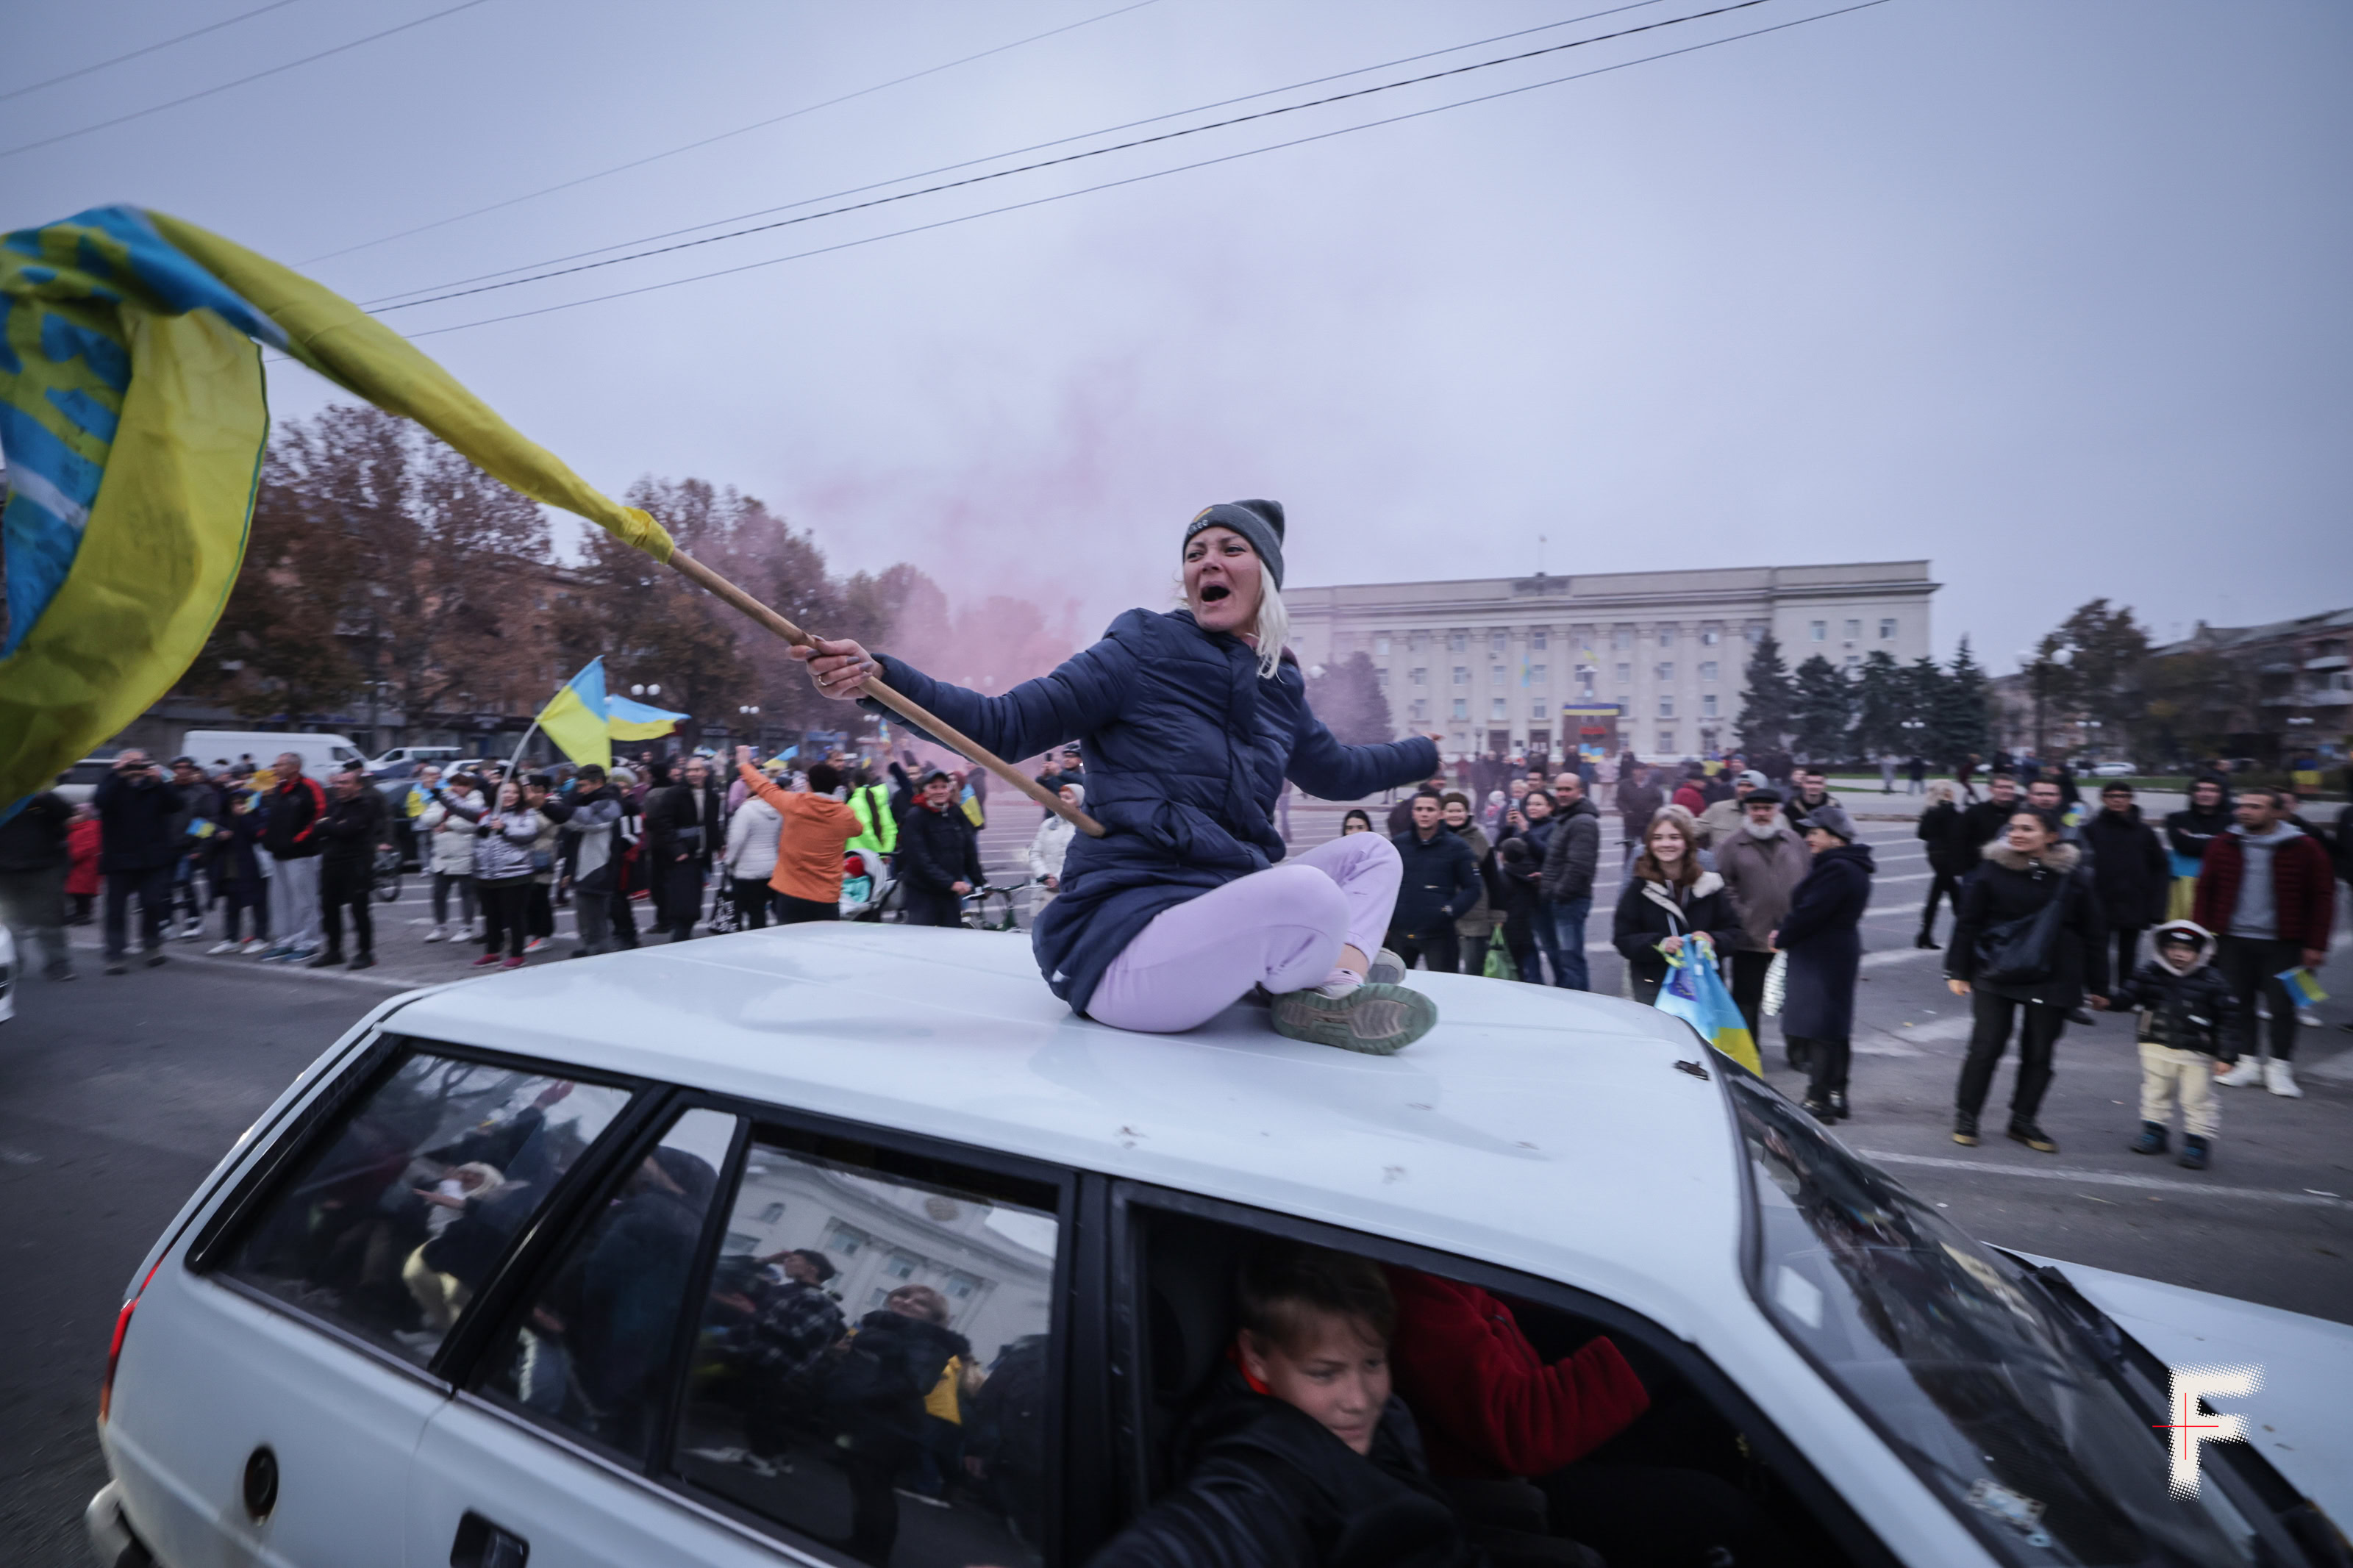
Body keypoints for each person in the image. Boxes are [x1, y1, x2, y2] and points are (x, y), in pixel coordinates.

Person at [793, 499, 1443, 1053]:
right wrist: (881, 679)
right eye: (1195, 552)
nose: (1207, 562)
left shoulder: (1280, 685)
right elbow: (1002, 725)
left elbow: (1338, 771)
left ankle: (1329, 985)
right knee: (1309, 895)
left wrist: (1423, 755)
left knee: (1372, 855)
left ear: (1266, 577)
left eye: (1231, 548)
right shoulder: (1140, 648)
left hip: (1214, 915)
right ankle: (1323, 978)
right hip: (1123, 948)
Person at [1089, 1239, 1483, 1568]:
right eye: (1324, 1374)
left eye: (1373, 1363)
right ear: (1256, 1358)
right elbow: (1218, 1529)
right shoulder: (1263, 1460)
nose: (1360, 1400)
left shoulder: (1351, 1417)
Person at [1946, 808, 2108, 1153]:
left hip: (2054, 975)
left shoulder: (2072, 876)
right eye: (2013, 828)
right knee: (1986, 1046)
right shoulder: (1991, 870)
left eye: (2028, 829)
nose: (2017, 834)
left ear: (2051, 836)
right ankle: (1967, 1117)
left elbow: (2094, 932)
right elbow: (1967, 923)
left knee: (2039, 1053)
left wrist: (2099, 986)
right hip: (1997, 970)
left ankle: (2023, 1121)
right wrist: (1957, 971)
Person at [2196, 787, 2333, 1099]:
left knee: (2283, 1007)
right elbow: (2206, 891)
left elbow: (2323, 897)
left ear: (2276, 812)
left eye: (2256, 807)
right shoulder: (2223, 844)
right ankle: (2247, 1063)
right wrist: (2201, 936)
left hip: (2286, 942)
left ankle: (2280, 1067)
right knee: (2237, 1004)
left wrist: (2316, 944)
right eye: (2243, 805)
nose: (2245, 811)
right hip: (2233, 939)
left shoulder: (2304, 847)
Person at [1773, 803, 1874, 1122]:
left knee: (1820, 1027)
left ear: (1836, 837)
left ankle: (1818, 1100)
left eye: (1815, 833)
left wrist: (1783, 936)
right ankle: (1837, 1093)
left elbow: (1811, 912)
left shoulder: (1836, 868)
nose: (1809, 839)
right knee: (1835, 1027)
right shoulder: (1850, 864)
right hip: (1836, 950)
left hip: (1821, 953)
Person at [2113, 922, 2238, 1170]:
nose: (2179, 954)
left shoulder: (2213, 981)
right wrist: (2107, 1001)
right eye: (2172, 947)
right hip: (2155, 1045)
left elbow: (2229, 1020)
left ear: (2201, 952)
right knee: (2155, 1090)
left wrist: (2227, 1055)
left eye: (2187, 949)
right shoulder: (2150, 972)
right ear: (2161, 948)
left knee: (2197, 1098)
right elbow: (2128, 995)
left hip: (2196, 1053)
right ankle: (2154, 1132)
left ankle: (2197, 1142)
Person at [1610, 808, 1739, 1006]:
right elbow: (1623, 938)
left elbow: (1734, 932)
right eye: (1658, 838)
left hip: (1704, 983)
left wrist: (1714, 940)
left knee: (1700, 1038)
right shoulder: (1639, 888)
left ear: (1686, 843)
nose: (1666, 844)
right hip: (1654, 985)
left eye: (1674, 837)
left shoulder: (1710, 885)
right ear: (1650, 844)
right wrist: (1659, 944)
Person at [1713, 787, 1807, 1048]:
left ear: (1776, 811)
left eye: (1767, 809)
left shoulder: (1794, 841)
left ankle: (1798, 1053)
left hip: (1791, 936)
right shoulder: (1731, 845)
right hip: (1750, 937)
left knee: (1795, 997)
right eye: (1756, 809)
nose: (1762, 814)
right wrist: (1742, 913)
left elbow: (1808, 879)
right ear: (1747, 812)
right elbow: (1722, 884)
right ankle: (1749, 1054)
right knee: (1747, 999)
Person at [735, 751, 863, 924]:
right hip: (826, 896)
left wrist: (744, 764)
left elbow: (765, 787)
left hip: (791, 893)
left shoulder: (794, 804)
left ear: (809, 784)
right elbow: (857, 830)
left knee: (790, 945)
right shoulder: (844, 814)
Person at [92, 749, 180, 975]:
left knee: (152, 903)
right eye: (129, 763)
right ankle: (115, 954)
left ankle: (152, 945)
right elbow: (100, 802)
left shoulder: (154, 785)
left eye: (139, 763)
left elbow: (177, 805)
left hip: (152, 858)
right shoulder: (112, 783)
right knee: (116, 910)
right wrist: (117, 775)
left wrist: (159, 782)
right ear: (119, 764)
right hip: (119, 858)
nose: (135, 768)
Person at [444, 780, 544, 968]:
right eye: (505, 792)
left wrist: (504, 828)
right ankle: (492, 952)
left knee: (515, 916)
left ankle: (517, 954)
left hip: (515, 874)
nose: (509, 795)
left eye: (514, 792)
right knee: (491, 916)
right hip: (486, 875)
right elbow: (458, 806)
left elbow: (529, 834)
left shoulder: (526, 812)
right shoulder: (485, 812)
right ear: (496, 795)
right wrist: (437, 791)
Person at [2082, 783, 2169, 982]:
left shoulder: (2144, 832)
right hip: (2099, 901)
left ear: (2131, 799)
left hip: (2134, 901)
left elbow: (2159, 867)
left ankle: (2126, 991)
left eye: (2123, 796)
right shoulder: (2090, 830)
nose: (2118, 800)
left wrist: (2156, 906)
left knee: (2129, 951)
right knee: (2097, 949)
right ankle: (2099, 991)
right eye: (2112, 796)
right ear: (2103, 799)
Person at [1387, 792, 1480, 974]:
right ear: (1413, 813)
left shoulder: (1457, 847)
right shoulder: (1398, 844)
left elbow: (1473, 888)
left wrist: (1448, 911)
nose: (1424, 814)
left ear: (1441, 814)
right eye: (1419, 809)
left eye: (1430, 809)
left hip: (1439, 935)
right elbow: (1384, 884)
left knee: (1443, 989)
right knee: (1398, 991)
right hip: (1401, 932)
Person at [312, 765, 390, 970]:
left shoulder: (366, 804)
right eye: (336, 782)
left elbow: (347, 830)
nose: (338, 786)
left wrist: (331, 825)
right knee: (329, 908)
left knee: (359, 909)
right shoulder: (334, 806)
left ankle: (365, 953)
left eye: (344, 782)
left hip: (357, 863)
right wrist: (333, 825)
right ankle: (334, 951)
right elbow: (317, 830)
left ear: (358, 785)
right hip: (331, 862)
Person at [0, 784, 76, 981]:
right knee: (9, 924)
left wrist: (43, 796)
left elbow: (65, 813)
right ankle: (13, 965)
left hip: (43, 866)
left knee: (49, 919)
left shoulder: (40, 797)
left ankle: (58, 964)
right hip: (5, 868)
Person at [895, 767, 986, 928]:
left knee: (952, 940)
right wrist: (950, 883)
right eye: (934, 787)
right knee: (924, 942)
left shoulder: (955, 812)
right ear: (924, 790)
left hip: (949, 894)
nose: (940, 791)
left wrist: (981, 882)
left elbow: (969, 851)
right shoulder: (915, 816)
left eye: (944, 786)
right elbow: (919, 859)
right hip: (922, 894)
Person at [646, 756, 723, 942]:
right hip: (682, 858)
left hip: (702, 858)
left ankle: (683, 939)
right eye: (689, 770)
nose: (692, 774)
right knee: (684, 908)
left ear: (705, 772)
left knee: (693, 905)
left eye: (697, 770)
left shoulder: (712, 796)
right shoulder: (674, 794)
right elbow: (662, 823)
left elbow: (712, 824)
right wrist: (677, 849)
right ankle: (679, 942)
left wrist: (720, 844)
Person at [259, 751, 326, 961]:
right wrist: (267, 836)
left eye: (279, 765)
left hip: (301, 855)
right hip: (279, 853)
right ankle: (285, 941)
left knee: (304, 901)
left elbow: (319, 816)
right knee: (280, 901)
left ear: (293, 767)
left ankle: (307, 942)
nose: (275, 769)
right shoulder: (279, 789)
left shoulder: (309, 787)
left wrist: (298, 840)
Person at [1536, 776, 1601, 991]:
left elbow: (1580, 867)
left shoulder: (1582, 821)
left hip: (1570, 900)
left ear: (1580, 791)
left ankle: (1580, 1005)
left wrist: (1558, 891)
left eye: (1568, 789)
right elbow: (1560, 859)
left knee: (1571, 959)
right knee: (1564, 957)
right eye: (1559, 789)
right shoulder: (1567, 817)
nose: (1562, 793)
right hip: (1561, 898)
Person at [558, 765, 631, 955]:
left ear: (598, 783)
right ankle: (591, 951)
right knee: (586, 922)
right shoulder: (585, 801)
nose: (579, 790)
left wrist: (546, 806)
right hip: (583, 869)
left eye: (582, 786)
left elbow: (587, 825)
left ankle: (600, 960)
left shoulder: (609, 805)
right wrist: (570, 871)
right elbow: (575, 840)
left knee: (597, 926)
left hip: (598, 872)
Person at [418, 773, 482, 943]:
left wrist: (448, 824)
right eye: (454, 784)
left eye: (462, 785)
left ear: (470, 787)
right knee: (438, 893)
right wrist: (448, 815)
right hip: (442, 855)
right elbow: (427, 818)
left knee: (466, 893)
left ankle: (466, 927)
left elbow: (473, 823)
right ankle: (440, 927)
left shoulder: (476, 799)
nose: (456, 787)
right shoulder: (444, 798)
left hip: (465, 853)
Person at [1442, 792, 1502, 975]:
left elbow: (1493, 879)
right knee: (1445, 971)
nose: (1455, 814)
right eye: (1450, 810)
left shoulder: (1480, 839)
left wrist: (1498, 915)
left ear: (1468, 813)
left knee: (1474, 970)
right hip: (1443, 915)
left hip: (1475, 916)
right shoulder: (1436, 838)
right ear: (1442, 813)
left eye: (1459, 810)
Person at [207, 787, 271, 953]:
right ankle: (230, 938)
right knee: (231, 905)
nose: (237, 806)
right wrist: (217, 836)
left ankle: (261, 936)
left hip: (254, 866)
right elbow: (201, 833)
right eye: (234, 803)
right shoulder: (223, 818)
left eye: (241, 803)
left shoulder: (258, 816)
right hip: (229, 867)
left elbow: (257, 835)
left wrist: (245, 816)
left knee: (258, 902)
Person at [2164, 776, 2232, 923]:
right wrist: (2219, 841)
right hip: (2184, 884)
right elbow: (2184, 846)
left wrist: (2193, 839)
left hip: (2221, 883)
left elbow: (2230, 850)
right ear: (2192, 794)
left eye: (2212, 790)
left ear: (2221, 794)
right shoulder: (2176, 818)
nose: (2205, 794)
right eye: (2199, 789)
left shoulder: (2233, 821)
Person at [721, 776, 784, 928]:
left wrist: (729, 862)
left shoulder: (746, 810)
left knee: (748, 912)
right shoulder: (778, 810)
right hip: (771, 868)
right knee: (760, 912)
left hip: (747, 871)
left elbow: (736, 840)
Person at [1914, 782, 1968, 949]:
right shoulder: (1949, 810)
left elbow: (1921, 834)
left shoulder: (1929, 810)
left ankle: (1925, 935)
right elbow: (1958, 832)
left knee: (1939, 894)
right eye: (1951, 791)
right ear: (1947, 793)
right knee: (1955, 895)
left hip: (1934, 854)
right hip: (1946, 855)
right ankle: (1965, 936)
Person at [1029, 782, 1085, 906]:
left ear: (1079, 802)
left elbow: (1079, 858)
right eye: (1061, 797)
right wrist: (1044, 875)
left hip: (1073, 891)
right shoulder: (1048, 824)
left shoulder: (1084, 827)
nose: (1062, 801)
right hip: (1046, 891)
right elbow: (1035, 853)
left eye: (1068, 798)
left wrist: (1058, 878)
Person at [1691, 769, 1766, 850]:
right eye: (1740, 785)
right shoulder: (1718, 809)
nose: (1743, 789)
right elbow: (1693, 830)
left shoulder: (1770, 814)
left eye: (1749, 786)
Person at [1615, 761, 1662, 870]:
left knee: (1648, 846)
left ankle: (1649, 868)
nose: (1642, 773)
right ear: (1633, 771)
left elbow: (1659, 800)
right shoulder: (1624, 784)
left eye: (1644, 770)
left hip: (1647, 821)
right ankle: (1628, 869)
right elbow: (1619, 801)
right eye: (1639, 770)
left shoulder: (1652, 785)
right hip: (1630, 822)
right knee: (1629, 847)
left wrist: (1651, 810)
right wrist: (1627, 811)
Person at [65, 802, 101, 926]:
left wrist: (71, 857)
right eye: (73, 814)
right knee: (75, 893)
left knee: (83, 894)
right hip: (75, 868)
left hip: (85, 868)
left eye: (78, 814)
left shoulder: (90, 828)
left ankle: (84, 914)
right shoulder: (73, 829)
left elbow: (87, 847)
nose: (73, 817)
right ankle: (79, 912)